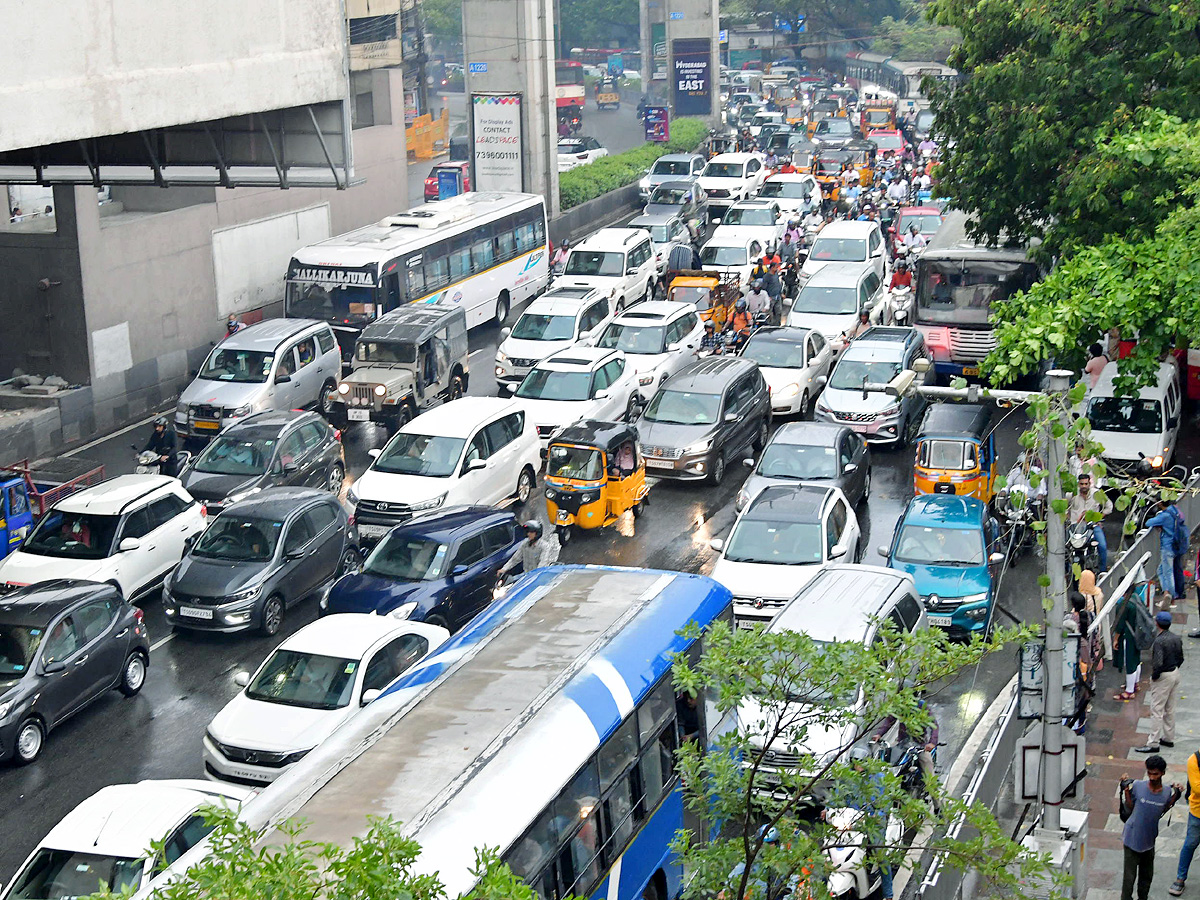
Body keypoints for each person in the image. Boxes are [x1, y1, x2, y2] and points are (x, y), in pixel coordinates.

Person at [1121, 755, 1183, 900]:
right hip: (1132, 838)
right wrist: (1126, 791)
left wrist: (1176, 795)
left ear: (1163, 773)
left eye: (1155, 773)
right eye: (1149, 773)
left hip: (1149, 840)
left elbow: (1164, 808)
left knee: (1146, 876)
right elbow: (1129, 807)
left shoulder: (1167, 791)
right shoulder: (1137, 786)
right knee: (1128, 879)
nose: (1152, 777)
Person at [869, 697, 939, 810]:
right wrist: (879, 734)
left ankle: (938, 807)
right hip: (902, 744)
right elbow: (889, 721)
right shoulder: (900, 705)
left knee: (929, 774)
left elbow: (934, 726)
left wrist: (932, 742)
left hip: (919, 745)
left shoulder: (921, 705)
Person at [1137, 611, 1185, 753]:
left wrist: (1155, 676)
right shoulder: (1176, 638)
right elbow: (1181, 658)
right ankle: (1169, 738)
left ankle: (1153, 743)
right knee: (1170, 708)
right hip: (1175, 673)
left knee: (1157, 710)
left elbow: (1158, 663)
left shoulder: (1159, 641)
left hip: (1163, 676)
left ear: (1157, 624)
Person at [1068, 472, 1113, 572]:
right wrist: (1069, 518)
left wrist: (1099, 517)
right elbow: (1064, 509)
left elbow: (1109, 506)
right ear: (1078, 484)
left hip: (1092, 526)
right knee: (1065, 548)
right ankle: (1066, 572)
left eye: (1086, 484)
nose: (1084, 486)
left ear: (1089, 484)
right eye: (1081, 484)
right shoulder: (1071, 495)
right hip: (1075, 527)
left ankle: (1102, 571)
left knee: (1102, 546)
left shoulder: (1097, 494)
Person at [1170, 748, 1200, 895]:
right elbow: (1197, 788)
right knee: (1190, 844)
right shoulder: (1194, 760)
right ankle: (1180, 878)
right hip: (1198, 812)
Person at [1148, 500, 1185, 604]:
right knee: (1161, 571)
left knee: (1168, 573)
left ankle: (1171, 598)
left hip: (1167, 547)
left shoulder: (1164, 516)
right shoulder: (1175, 511)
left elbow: (1148, 522)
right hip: (1175, 545)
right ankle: (1166, 594)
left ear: (1160, 504)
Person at [1114, 590, 1145, 701]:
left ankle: (1129, 691)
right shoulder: (1137, 598)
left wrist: (1115, 639)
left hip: (1127, 636)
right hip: (1137, 635)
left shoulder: (1123, 605)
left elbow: (1119, 624)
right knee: (1136, 660)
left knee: (1129, 663)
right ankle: (1135, 684)